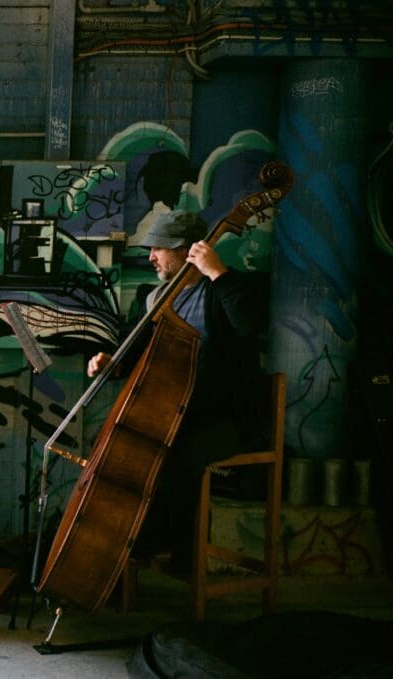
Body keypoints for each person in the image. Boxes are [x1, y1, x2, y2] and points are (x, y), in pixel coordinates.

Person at [87, 210, 269, 570]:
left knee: (176, 454)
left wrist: (218, 272)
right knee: (112, 443)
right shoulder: (155, 300)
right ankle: (120, 543)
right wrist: (111, 364)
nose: (151, 256)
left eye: (159, 248)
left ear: (188, 251)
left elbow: (250, 328)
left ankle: (154, 544)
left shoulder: (224, 289)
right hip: (174, 414)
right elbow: (134, 354)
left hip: (224, 419)